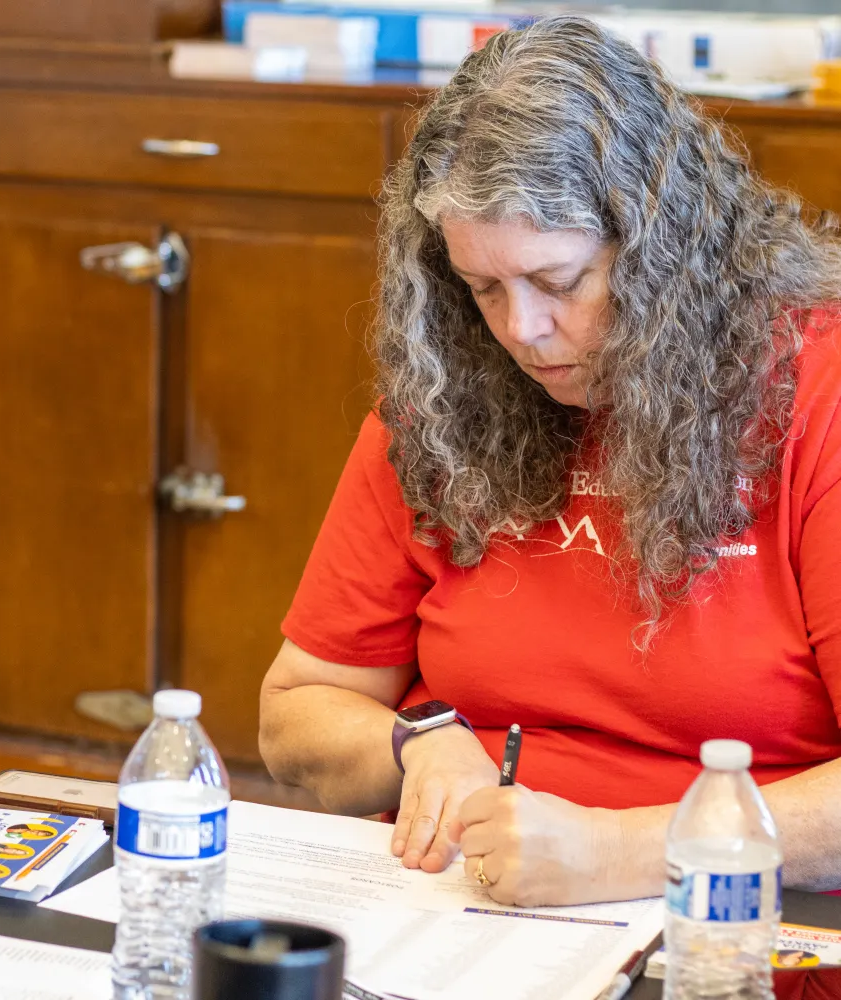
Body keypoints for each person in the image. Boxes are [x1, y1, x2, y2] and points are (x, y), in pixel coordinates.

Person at [260, 14, 841, 909]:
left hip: (729, 913)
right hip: (462, 908)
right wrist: (415, 744)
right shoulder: (452, 391)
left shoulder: (817, 391)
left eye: (560, 282)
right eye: (483, 287)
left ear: (666, 248)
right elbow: (294, 714)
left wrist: (628, 851)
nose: (521, 331)